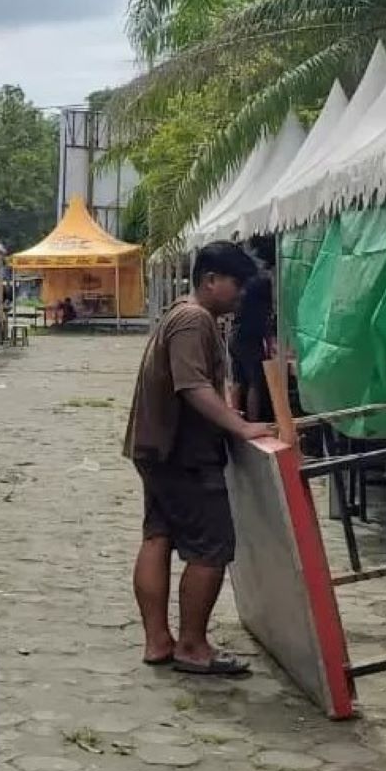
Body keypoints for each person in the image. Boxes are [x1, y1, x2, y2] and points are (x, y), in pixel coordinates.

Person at [124, 241, 272, 676]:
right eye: (236, 283)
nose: (241, 293)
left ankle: (158, 641)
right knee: (211, 548)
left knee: (159, 536)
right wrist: (240, 425)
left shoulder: (181, 314)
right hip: (182, 453)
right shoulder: (193, 319)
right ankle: (192, 645)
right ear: (210, 280)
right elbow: (192, 386)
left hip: (157, 448)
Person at [228, 271, 276, 422]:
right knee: (255, 382)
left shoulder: (245, 294)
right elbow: (265, 327)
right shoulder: (262, 304)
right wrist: (270, 347)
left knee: (238, 379)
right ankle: (253, 420)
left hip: (235, 336)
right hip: (250, 340)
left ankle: (235, 416)